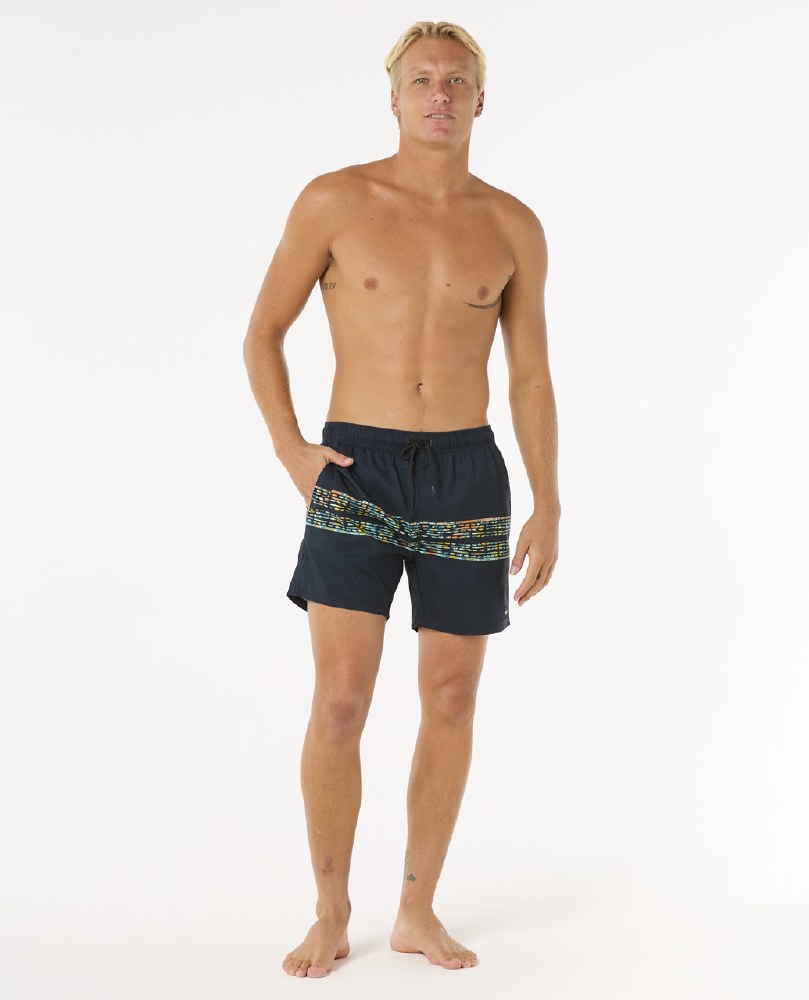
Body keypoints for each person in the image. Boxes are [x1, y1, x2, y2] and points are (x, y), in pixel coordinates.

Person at [243, 20, 560, 978]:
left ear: (479, 100)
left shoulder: (511, 224)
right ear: (392, 98)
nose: (438, 95)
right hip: (356, 468)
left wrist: (548, 502)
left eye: (455, 81)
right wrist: (291, 450)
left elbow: (530, 377)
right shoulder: (335, 200)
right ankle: (331, 911)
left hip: (467, 474)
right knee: (341, 701)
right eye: (421, 80)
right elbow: (262, 333)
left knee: (452, 696)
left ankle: (417, 911)